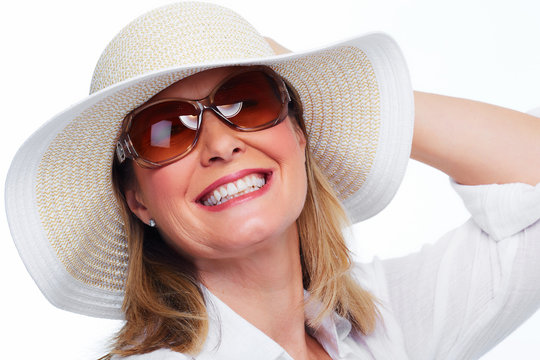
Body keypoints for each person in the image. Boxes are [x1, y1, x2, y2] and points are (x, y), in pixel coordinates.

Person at [5, 2, 540, 359]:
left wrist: (333, 88)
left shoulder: (380, 322)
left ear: (301, 137)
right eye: (165, 131)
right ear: (137, 199)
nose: (221, 145)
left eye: (250, 100)